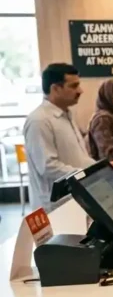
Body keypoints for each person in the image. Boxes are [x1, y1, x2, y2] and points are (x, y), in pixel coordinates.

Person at [23, 63, 93, 211]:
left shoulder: (66, 114)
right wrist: (86, 175)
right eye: (73, 86)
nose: (80, 91)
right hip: (55, 207)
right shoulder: (39, 120)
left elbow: (79, 157)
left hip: (75, 199)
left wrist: (100, 169)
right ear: (55, 89)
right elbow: (48, 167)